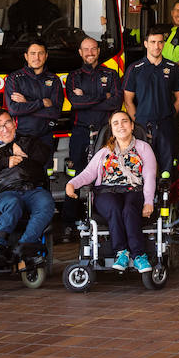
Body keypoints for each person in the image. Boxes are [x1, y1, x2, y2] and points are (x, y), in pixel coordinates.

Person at [65, 110, 158, 273]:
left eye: (124, 121)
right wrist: (71, 184)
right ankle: (121, 253)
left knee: (129, 209)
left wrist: (149, 201)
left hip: (133, 190)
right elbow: (88, 174)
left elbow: (150, 176)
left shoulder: (144, 148)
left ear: (132, 126)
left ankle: (139, 256)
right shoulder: (104, 152)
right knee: (114, 208)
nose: (120, 125)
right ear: (112, 129)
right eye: (116, 123)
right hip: (106, 191)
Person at [0, 108, 55, 269]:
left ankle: (24, 247)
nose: (5, 129)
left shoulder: (28, 141)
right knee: (13, 204)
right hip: (4, 192)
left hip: (32, 189)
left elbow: (44, 157)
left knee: (46, 203)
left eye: (7, 123)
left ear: (14, 124)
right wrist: (4, 160)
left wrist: (24, 156)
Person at [61, 36, 122, 241]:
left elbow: (115, 102)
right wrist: (100, 98)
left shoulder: (111, 74)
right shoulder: (74, 76)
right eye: (85, 49)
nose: (90, 53)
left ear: (98, 51)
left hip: (106, 133)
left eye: (93, 49)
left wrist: (87, 98)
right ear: (80, 52)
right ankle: (70, 222)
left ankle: (102, 219)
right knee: (77, 173)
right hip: (80, 131)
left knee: (106, 175)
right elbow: (76, 104)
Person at [123, 26, 179, 175]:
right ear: (146, 44)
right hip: (142, 126)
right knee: (142, 168)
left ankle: (166, 197)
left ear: (164, 44)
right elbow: (128, 101)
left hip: (166, 125)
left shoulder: (173, 69)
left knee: (167, 170)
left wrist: (168, 115)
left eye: (159, 42)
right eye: (152, 42)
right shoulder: (135, 68)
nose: (156, 46)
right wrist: (136, 122)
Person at [4, 40, 64, 141]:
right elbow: (14, 110)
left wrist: (26, 103)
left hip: (46, 137)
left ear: (46, 56)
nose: (37, 57)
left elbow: (55, 113)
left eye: (40, 53)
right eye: (33, 53)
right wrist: (42, 103)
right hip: (20, 136)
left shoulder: (54, 79)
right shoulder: (14, 78)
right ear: (26, 56)